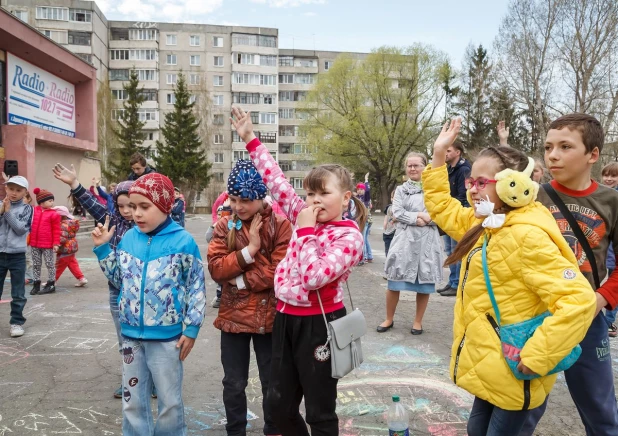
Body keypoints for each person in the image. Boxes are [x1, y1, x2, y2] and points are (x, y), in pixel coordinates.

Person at [423, 118, 596, 435]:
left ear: (511, 186)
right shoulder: (488, 224)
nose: (472, 190)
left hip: (517, 371)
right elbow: (442, 208)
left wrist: (538, 356)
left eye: (480, 183)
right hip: (491, 369)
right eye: (470, 182)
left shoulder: (527, 236)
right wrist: (437, 155)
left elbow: (579, 301)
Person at [231, 106, 366, 436]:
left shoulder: (349, 236)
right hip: (286, 318)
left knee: (320, 409)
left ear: (346, 198)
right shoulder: (303, 213)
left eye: (325, 194)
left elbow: (315, 277)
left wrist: (304, 231)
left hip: (320, 323)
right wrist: (250, 138)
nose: (315, 201)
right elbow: (276, 181)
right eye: (310, 194)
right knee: (278, 406)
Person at [522, 114, 618, 435]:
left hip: (586, 321)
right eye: (549, 147)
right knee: (521, 410)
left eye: (565, 146)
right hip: (534, 321)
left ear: (593, 154)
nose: (553, 155)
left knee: (601, 414)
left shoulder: (611, 201)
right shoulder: (532, 196)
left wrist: (601, 299)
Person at [92, 173, 206, 435]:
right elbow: (120, 280)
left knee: (170, 401)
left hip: (168, 339)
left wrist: (191, 328)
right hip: (131, 336)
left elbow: (196, 287)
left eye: (145, 207)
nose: (137, 214)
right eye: (133, 207)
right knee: (133, 402)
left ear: (165, 206)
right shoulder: (130, 238)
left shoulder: (183, 241)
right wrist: (102, 250)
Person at [208, 159, 292, 436]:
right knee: (233, 383)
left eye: (245, 199)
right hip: (233, 319)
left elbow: (279, 271)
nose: (238, 206)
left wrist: (240, 280)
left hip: (270, 319)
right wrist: (250, 250)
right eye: (233, 198)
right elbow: (217, 269)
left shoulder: (280, 226)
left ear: (260, 196)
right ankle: (235, 431)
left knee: (272, 382)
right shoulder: (224, 225)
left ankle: (273, 428)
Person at [53, 163, 136, 399]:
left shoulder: (145, 224)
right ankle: (130, 381)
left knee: (146, 342)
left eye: (132, 205)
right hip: (116, 292)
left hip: (141, 292)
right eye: (121, 206)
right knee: (125, 342)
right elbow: (91, 203)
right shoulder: (112, 220)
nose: (127, 211)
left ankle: (149, 382)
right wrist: (74, 184)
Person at [378, 153, 443, 335]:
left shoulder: (434, 190)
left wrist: (428, 219)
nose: (412, 169)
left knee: (424, 282)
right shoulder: (400, 190)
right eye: (409, 166)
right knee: (394, 280)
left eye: (417, 165)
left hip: (427, 242)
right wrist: (418, 218)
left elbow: (440, 213)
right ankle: (389, 318)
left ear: (425, 167)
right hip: (404, 241)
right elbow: (397, 212)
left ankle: (417, 321)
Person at [0, 176, 33, 337]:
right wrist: (2, 211)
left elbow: (20, 229)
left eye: (18, 190)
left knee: (18, 292)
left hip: (17, 255)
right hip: (0, 253)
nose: (14, 193)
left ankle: (16, 322)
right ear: (6, 189)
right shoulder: (1, 205)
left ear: (25, 192)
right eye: (11, 189)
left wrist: (7, 214)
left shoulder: (27, 209)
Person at [437, 140, 471, 297]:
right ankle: (452, 281)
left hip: (458, 214)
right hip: (450, 213)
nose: (446, 153)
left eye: (449, 151)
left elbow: (463, 195)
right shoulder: (449, 169)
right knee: (450, 250)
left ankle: (457, 283)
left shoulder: (464, 169)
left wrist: (458, 214)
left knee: (457, 250)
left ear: (458, 152)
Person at [29, 188, 61, 295]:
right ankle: (36, 284)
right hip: (34, 243)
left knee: (49, 264)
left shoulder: (54, 214)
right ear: (41, 202)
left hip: (47, 244)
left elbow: (56, 230)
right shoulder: (34, 211)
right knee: (36, 264)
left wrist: (56, 243)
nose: (52, 202)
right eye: (50, 200)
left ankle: (51, 284)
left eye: (52, 200)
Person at [602, 162, 618, 337]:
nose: (608, 179)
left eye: (613, 176)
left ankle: (609, 321)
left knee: (613, 287)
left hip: (614, 253)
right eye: (606, 175)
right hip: (603, 252)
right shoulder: (602, 195)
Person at [53, 206, 87, 287]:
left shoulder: (62, 225)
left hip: (64, 248)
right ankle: (81, 278)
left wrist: (55, 244)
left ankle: (52, 280)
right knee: (73, 264)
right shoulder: (71, 223)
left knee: (58, 266)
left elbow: (62, 238)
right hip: (72, 247)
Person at [207, 203, 233, 309]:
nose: (220, 216)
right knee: (220, 280)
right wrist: (213, 225)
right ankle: (219, 296)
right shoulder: (217, 226)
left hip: (230, 261)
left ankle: (222, 297)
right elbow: (208, 238)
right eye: (218, 214)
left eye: (223, 213)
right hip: (219, 260)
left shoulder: (232, 225)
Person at [356, 174, 373, 264]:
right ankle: (369, 256)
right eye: (358, 189)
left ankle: (363, 257)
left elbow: (368, 191)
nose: (360, 191)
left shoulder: (365, 198)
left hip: (365, 220)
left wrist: (366, 180)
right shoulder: (357, 198)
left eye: (361, 189)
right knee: (365, 239)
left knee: (362, 239)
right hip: (363, 220)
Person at [382, 190, 396, 257]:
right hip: (388, 232)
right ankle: (388, 261)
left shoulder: (400, 208)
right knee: (387, 250)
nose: (393, 199)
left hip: (396, 232)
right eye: (392, 197)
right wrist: (385, 224)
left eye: (395, 198)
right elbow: (386, 216)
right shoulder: (389, 207)